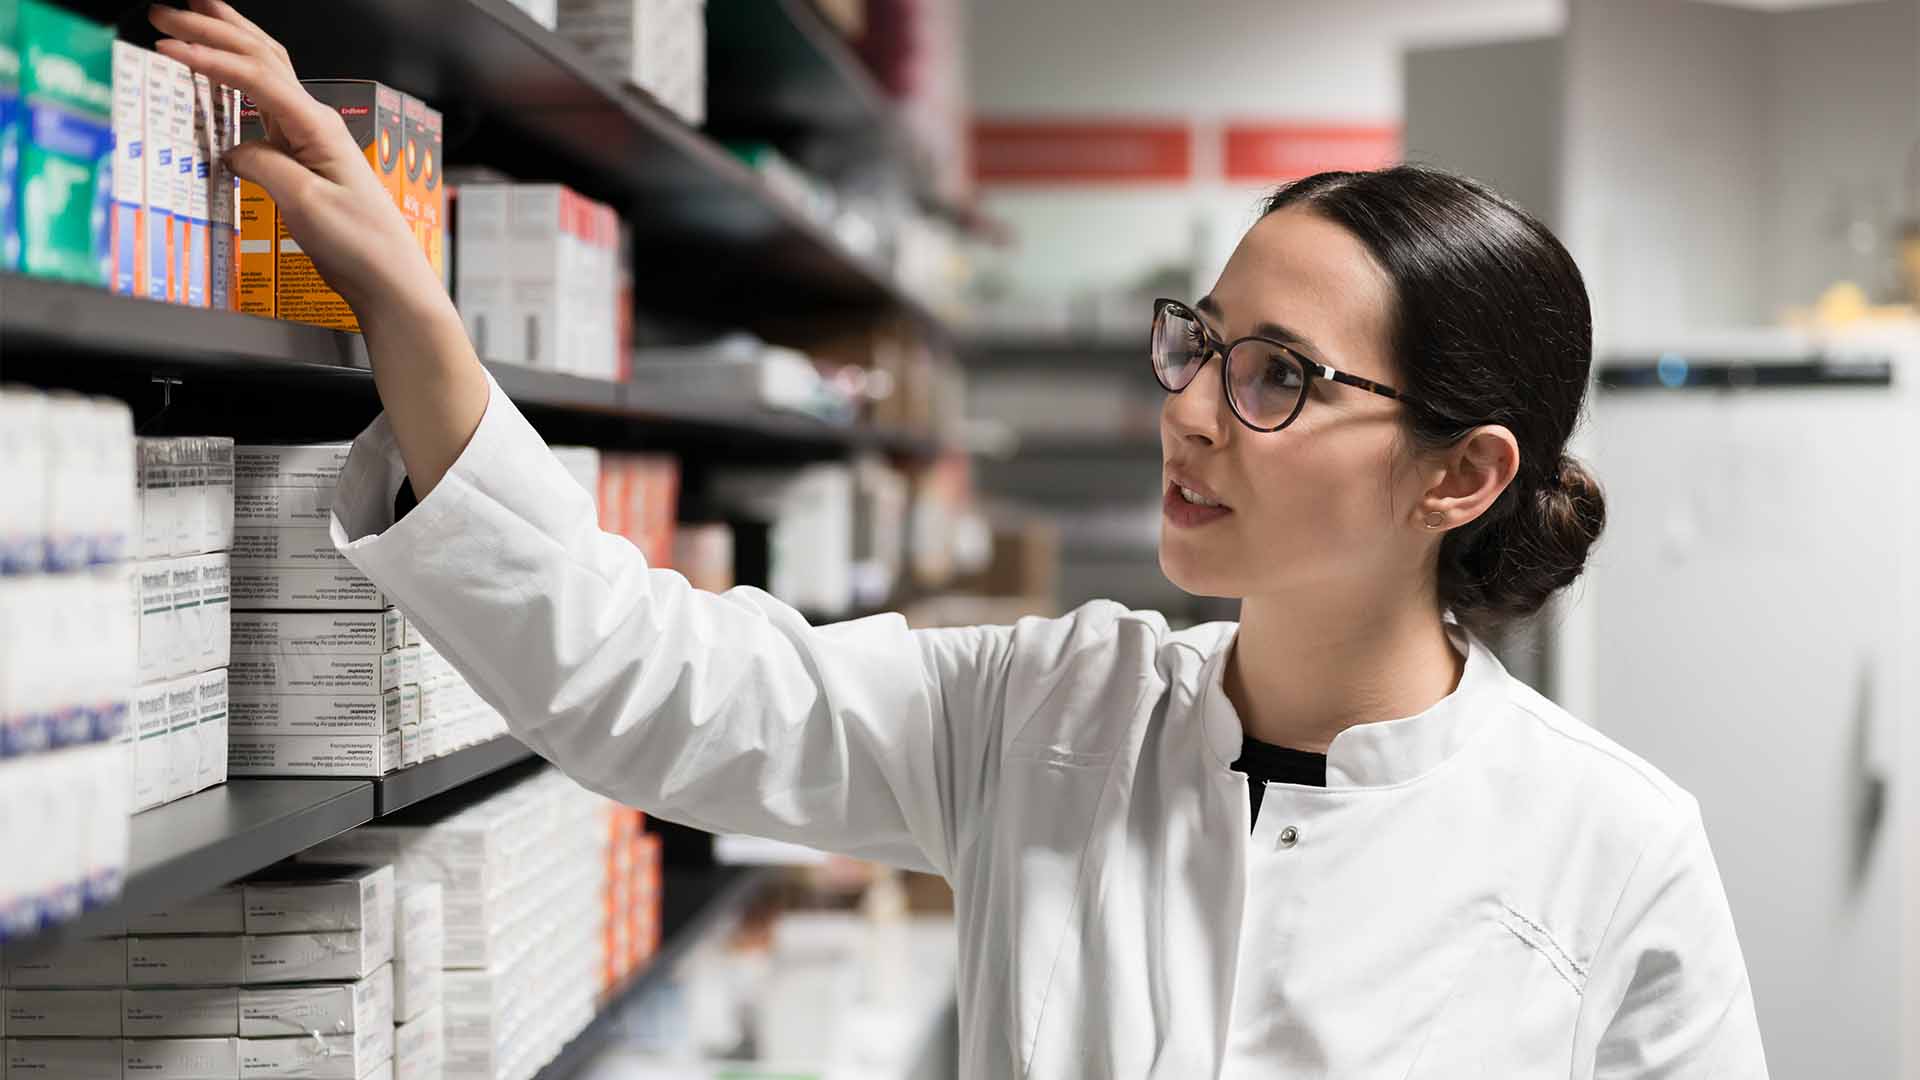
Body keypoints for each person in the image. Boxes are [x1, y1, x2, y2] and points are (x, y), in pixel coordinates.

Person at [151, 3, 1769, 1076]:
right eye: (1199, 342)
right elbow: (646, 683)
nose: (1193, 410)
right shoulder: (1047, 714)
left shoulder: (1614, 849)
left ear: (1460, 476)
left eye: (1276, 378)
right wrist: (417, 317)